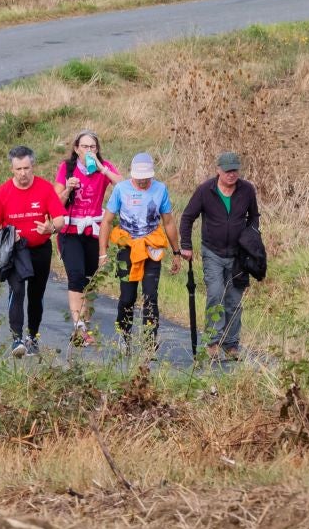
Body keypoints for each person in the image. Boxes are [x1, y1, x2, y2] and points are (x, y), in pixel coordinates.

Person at [179, 152, 261, 364]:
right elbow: (188, 217)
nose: (232, 174)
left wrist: (251, 238)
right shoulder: (206, 190)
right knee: (215, 294)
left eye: (235, 170)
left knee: (234, 300)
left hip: (238, 255)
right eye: (227, 171)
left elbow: (254, 217)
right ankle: (213, 342)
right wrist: (186, 246)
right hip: (212, 252)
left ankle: (231, 345)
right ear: (218, 170)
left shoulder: (247, 190)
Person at [0, 145, 66, 356]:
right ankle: (16, 339)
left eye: (27, 168)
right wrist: (8, 236)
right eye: (18, 169)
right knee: (17, 291)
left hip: (40, 249)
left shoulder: (45, 188)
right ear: (12, 169)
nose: (23, 173)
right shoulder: (3, 192)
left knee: (36, 295)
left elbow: (60, 218)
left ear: (33, 166)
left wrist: (51, 228)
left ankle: (32, 336)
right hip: (16, 251)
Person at [99, 152, 176, 354]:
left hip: (152, 247)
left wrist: (177, 251)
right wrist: (103, 252)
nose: (142, 181)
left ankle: (150, 341)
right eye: (139, 178)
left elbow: (168, 221)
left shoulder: (160, 190)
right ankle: (124, 337)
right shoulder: (121, 189)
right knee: (127, 296)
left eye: (146, 178)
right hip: (127, 247)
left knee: (151, 295)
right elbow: (107, 221)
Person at [54, 129, 122, 346]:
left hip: (94, 230)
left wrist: (103, 169)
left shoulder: (105, 166)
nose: (89, 150)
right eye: (85, 147)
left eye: (93, 147)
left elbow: (124, 187)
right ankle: (79, 327)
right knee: (75, 275)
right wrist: (68, 189)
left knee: (90, 280)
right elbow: (55, 202)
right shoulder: (67, 168)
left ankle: (86, 321)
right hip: (70, 230)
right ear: (76, 149)